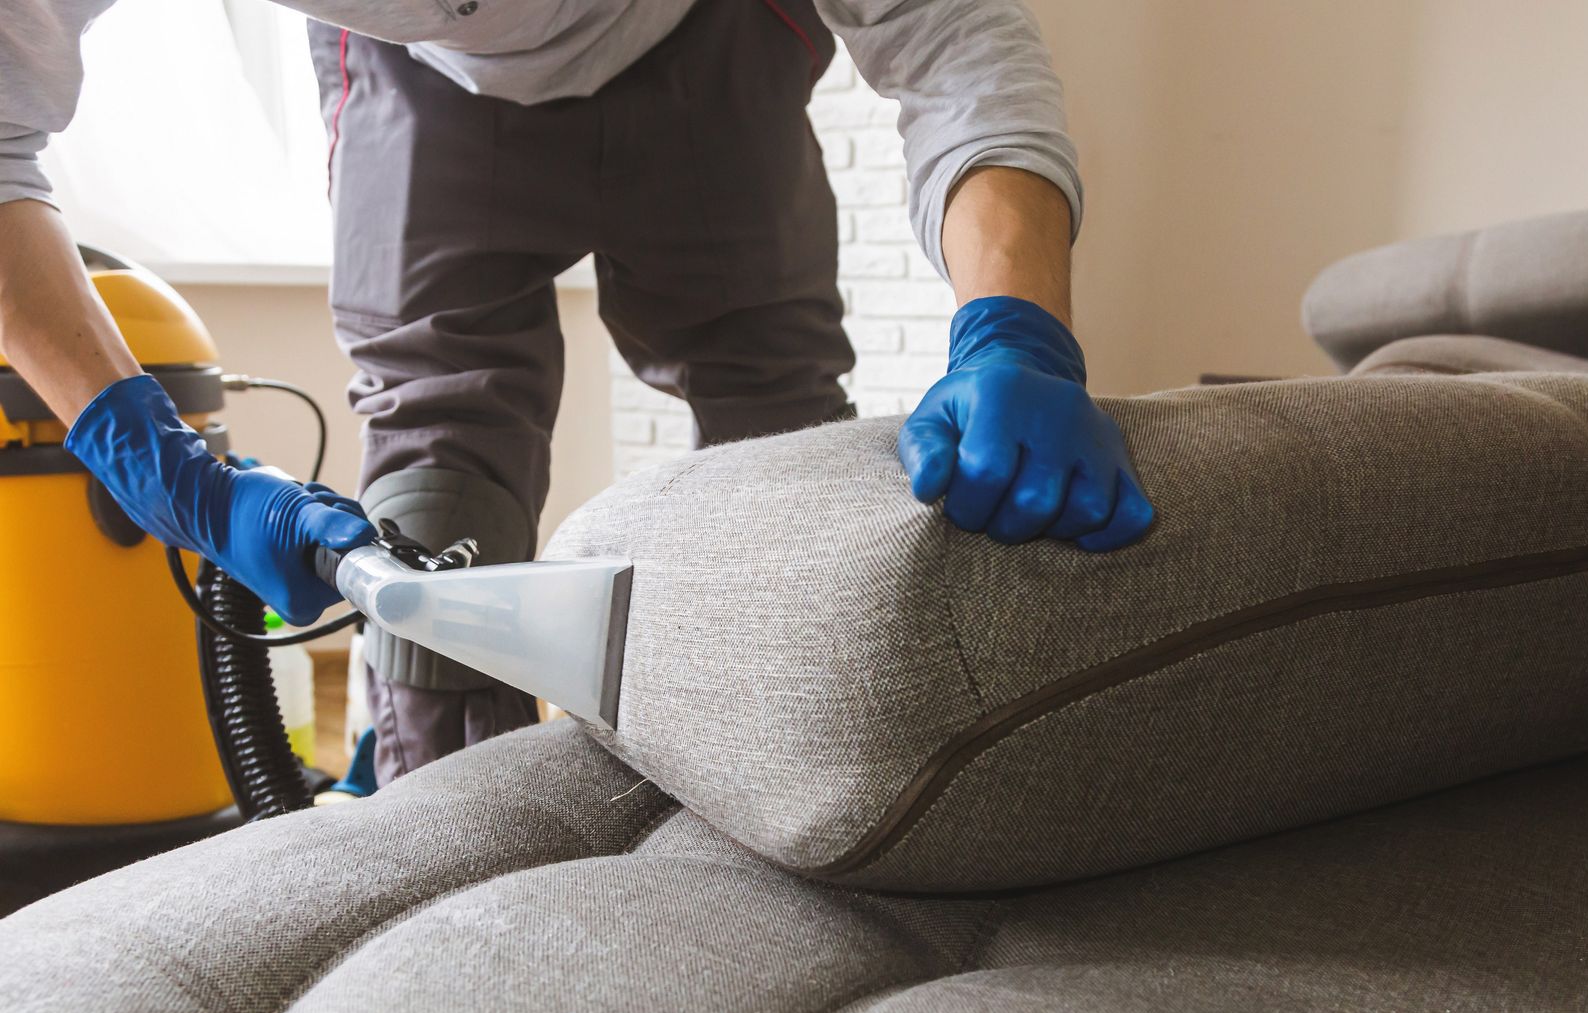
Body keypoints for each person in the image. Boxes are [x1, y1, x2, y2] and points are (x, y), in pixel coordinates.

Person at [0, 0, 1154, 788]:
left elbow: (951, 34)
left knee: (780, 444)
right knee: (432, 514)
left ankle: (803, 798)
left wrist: (1014, 326)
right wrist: (165, 470)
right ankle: (443, 838)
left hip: (709, 34)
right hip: (418, 78)